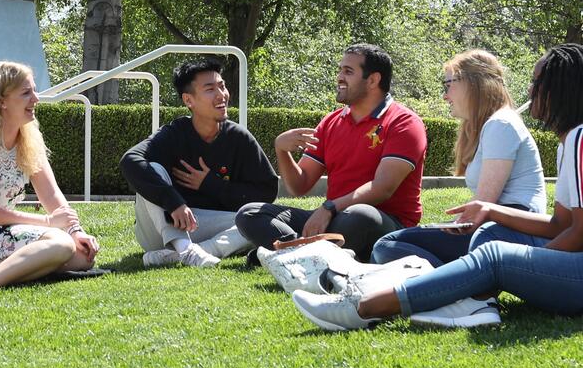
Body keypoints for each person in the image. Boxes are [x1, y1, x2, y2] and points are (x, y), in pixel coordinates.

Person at [291, 44, 583, 331]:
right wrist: (521, 250)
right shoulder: (568, 142)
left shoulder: (574, 138)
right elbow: (561, 224)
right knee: (474, 248)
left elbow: (578, 233)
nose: (530, 91)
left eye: (536, 82)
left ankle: (364, 306)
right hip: (538, 247)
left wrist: (528, 262)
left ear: (560, 86)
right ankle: (442, 292)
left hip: (545, 254)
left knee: (490, 249)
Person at [236, 44, 427, 262]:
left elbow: (382, 188)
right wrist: (281, 150)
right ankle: (301, 255)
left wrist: (329, 207)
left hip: (383, 224)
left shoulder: (404, 122)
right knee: (250, 213)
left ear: (373, 80)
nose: (339, 77)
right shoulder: (331, 122)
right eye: (340, 70)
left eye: (348, 71)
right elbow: (300, 185)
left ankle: (291, 253)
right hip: (335, 217)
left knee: (360, 215)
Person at [0, 61, 98, 300]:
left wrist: (76, 231)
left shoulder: (29, 139)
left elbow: (51, 195)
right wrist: (49, 222)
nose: (36, 99)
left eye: (33, 90)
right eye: (26, 93)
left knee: (81, 257)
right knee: (61, 245)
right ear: (1, 101)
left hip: (3, 229)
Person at [371, 50, 546, 267]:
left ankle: (463, 289)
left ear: (473, 84)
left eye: (448, 85)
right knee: (389, 246)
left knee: (387, 246)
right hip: (498, 227)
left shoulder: (501, 124)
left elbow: (485, 204)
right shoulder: (491, 125)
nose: (445, 96)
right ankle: (459, 283)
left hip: (514, 232)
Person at [120, 58, 278, 268]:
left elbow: (266, 192)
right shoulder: (174, 134)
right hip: (160, 228)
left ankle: (188, 253)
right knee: (153, 169)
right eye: (210, 89)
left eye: (222, 86)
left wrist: (211, 184)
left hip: (203, 227)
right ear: (188, 100)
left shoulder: (239, 138)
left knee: (263, 222)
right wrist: (174, 202)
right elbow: (130, 161)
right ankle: (184, 247)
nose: (222, 95)